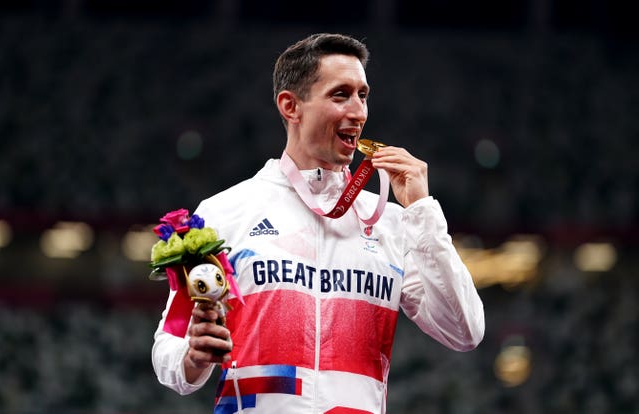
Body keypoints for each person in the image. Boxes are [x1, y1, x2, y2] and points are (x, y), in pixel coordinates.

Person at [152, 33, 484, 414]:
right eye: (340, 95)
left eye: (363, 95)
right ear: (291, 106)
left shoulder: (391, 222)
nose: (359, 112)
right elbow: (168, 345)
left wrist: (422, 212)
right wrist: (192, 357)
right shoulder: (225, 212)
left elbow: (465, 331)